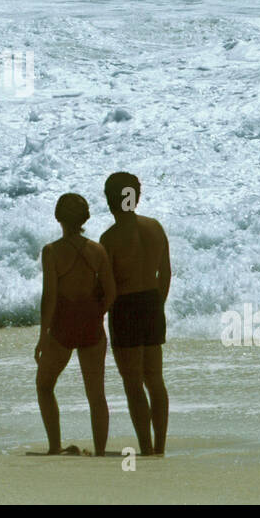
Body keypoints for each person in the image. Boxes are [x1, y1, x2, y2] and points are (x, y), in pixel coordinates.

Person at [35, 193, 116, 456]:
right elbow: (111, 292)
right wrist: (97, 313)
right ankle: (101, 452)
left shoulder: (51, 252)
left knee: (45, 385)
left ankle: (55, 447)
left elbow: (50, 297)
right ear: (85, 219)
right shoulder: (97, 250)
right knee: (96, 395)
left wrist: (43, 336)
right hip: (91, 324)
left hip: (63, 325)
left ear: (58, 217)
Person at [100, 172, 170, 456]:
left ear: (110, 201)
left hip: (126, 307)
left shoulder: (110, 238)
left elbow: (108, 287)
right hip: (153, 302)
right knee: (155, 379)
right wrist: (158, 303)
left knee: (132, 383)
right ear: (136, 196)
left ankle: (146, 447)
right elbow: (165, 272)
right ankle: (160, 446)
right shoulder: (154, 227)